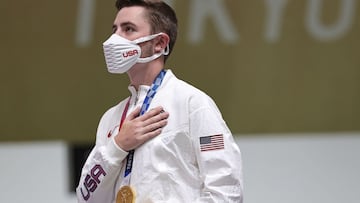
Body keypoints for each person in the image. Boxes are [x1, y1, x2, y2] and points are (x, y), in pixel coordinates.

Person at [76, 0, 244, 202]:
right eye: (115, 29)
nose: (114, 38)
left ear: (159, 43)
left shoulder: (193, 104)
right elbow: (87, 198)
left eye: (128, 29)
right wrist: (118, 145)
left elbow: (226, 191)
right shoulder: (111, 118)